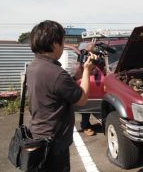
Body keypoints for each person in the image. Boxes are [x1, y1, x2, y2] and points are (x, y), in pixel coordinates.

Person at [27, 20, 96, 172]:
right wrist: (86, 71)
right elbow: (82, 99)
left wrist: (78, 72)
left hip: (38, 134)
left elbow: (57, 89)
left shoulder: (34, 66)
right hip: (54, 142)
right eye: (63, 41)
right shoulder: (56, 73)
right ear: (54, 44)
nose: (64, 46)